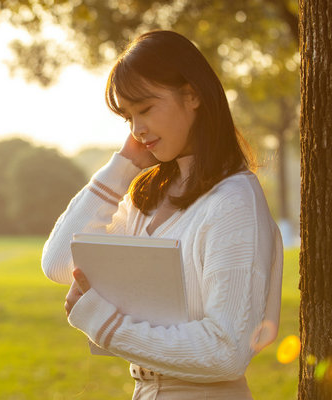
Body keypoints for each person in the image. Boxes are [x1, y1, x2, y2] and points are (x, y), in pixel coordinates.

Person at [41, 30, 283, 399]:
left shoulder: (233, 201)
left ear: (193, 95)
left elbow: (227, 351)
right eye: (128, 118)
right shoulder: (147, 199)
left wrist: (106, 325)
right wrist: (123, 166)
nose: (138, 130)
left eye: (146, 109)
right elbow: (59, 263)